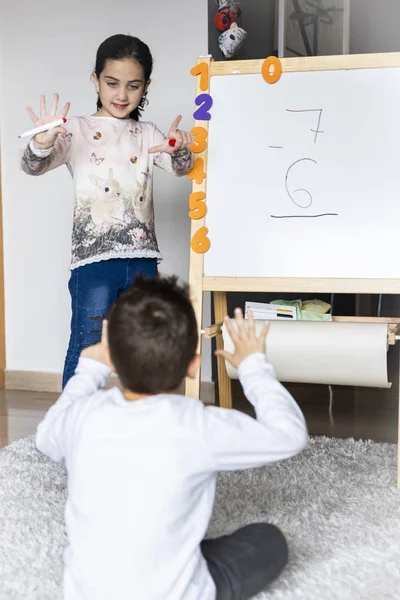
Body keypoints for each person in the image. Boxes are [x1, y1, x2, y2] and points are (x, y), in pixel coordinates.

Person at [35, 274, 309, 600]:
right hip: (173, 594)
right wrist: (253, 366)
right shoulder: (196, 425)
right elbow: (289, 435)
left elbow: (45, 438)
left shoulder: (83, 413)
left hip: (87, 593)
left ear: (114, 359)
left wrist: (89, 371)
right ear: (193, 365)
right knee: (268, 538)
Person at [21, 34, 194, 388]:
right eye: (112, 83)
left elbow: (182, 168)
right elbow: (32, 167)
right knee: (87, 345)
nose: (121, 95)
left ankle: (141, 418)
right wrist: (42, 142)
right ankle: (73, 421)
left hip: (143, 260)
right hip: (93, 263)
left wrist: (179, 149)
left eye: (133, 86)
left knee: (147, 345)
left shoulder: (147, 133)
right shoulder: (75, 131)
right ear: (95, 80)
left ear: (146, 87)